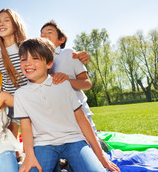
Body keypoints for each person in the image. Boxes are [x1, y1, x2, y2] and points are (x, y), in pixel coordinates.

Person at [14, 37, 120, 172]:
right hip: (44, 144)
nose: (28, 63)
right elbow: (26, 128)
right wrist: (29, 155)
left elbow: (81, 119)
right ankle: (54, 166)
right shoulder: (21, 94)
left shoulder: (62, 84)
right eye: (23, 59)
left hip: (73, 140)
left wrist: (100, 154)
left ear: (49, 63)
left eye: (35, 58)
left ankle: (73, 163)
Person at [40, 20, 109, 152]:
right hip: (57, 116)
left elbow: (87, 84)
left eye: (49, 33)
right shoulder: (38, 59)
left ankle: (98, 141)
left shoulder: (69, 54)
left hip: (79, 112)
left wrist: (67, 80)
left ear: (61, 39)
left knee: (94, 150)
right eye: (42, 34)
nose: (44, 36)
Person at [0, 8, 28, 138]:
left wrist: (79, 55)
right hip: (11, 105)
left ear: (16, 25)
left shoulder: (27, 48)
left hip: (32, 99)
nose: (1, 24)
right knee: (13, 148)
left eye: (7, 20)